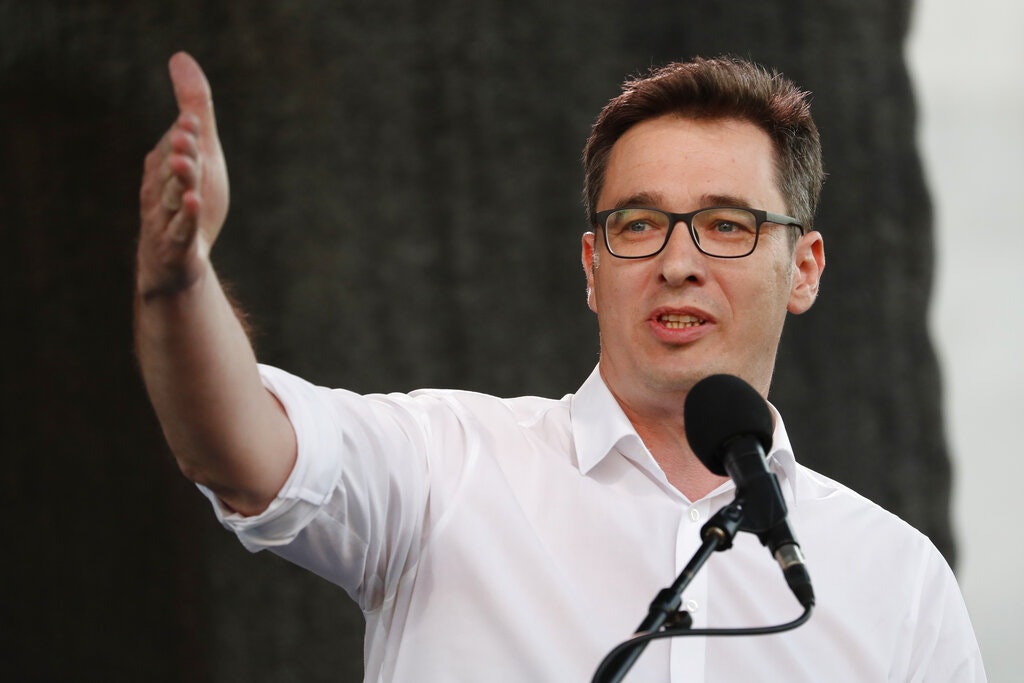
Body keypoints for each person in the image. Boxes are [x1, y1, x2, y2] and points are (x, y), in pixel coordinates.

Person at [135, 51, 986, 681]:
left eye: (726, 225)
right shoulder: (445, 466)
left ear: (803, 268)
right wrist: (181, 282)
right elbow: (239, 446)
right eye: (638, 225)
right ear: (592, 266)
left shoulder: (898, 580)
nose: (678, 263)